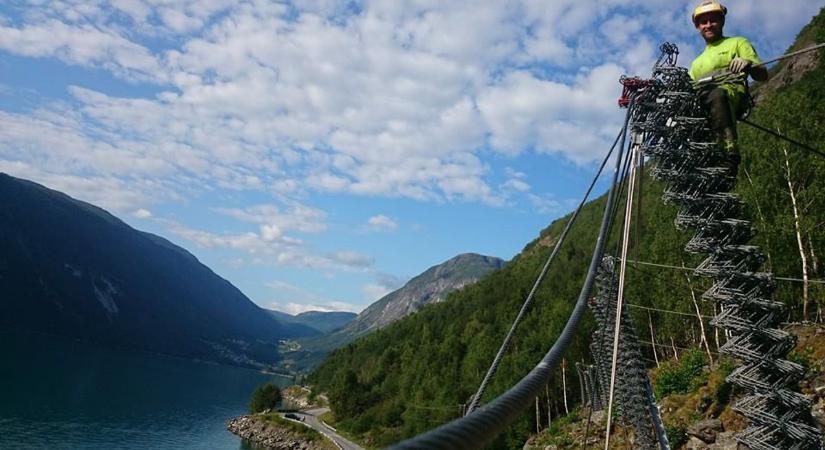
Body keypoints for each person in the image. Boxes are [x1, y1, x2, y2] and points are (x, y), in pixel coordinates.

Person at [689, 1, 768, 156]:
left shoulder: (737, 42)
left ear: (721, 22)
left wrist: (748, 62)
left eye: (713, 20)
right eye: (703, 22)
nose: (708, 25)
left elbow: (763, 75)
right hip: (705, 104)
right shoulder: (696, 63)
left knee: (717, 94)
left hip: (731, 95)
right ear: (698, 27)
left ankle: (728, 148)